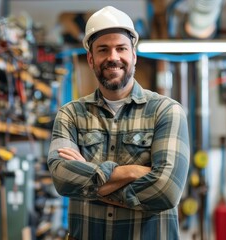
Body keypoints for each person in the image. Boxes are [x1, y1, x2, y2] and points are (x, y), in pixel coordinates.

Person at [47, 6, 190, 240]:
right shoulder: (70, 114)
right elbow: (63, 179)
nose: (113, 57)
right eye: (103, 49)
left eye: (121, 48)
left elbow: (166, 191)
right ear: (91, 59)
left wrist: (92, 187)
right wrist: (132, 172)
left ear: (133, 56)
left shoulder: (166, 111)